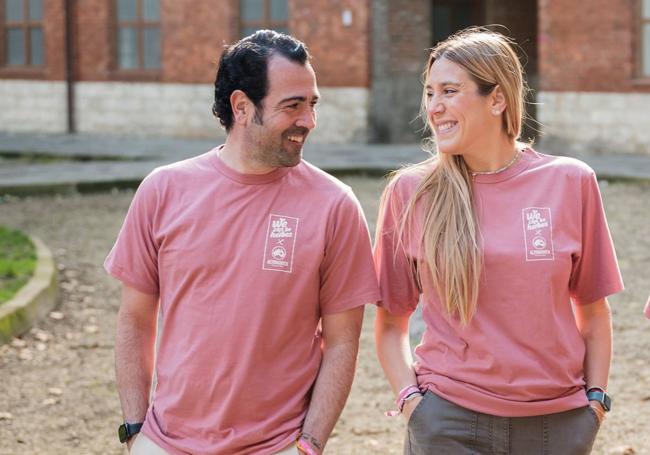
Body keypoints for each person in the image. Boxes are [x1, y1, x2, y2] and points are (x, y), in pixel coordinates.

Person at [105, 30, 379, 455]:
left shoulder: (334, 205)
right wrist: (135, 432)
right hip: (164, 443)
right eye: (293, 105)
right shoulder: (163, 190)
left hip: (276, 446)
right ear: (242, 106)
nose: (309, 120)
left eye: (312, 104)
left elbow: (342, 339)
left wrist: (309, 445)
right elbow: (134, 320)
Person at [373, 27, 624, 454]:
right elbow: (390, 323)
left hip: (557, 426)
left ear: (497, 99)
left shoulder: (570, 181)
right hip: (447, 422)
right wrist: (412, 404)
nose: (434, 107)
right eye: (430, 93)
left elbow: (594, 312)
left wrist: (595, 402)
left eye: (450, 91)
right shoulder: (411, 192)